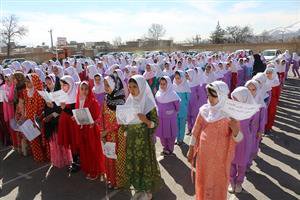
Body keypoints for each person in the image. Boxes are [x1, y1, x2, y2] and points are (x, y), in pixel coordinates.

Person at [187, 81, 243, 200]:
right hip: (204, 156)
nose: (210, 99)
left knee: (217, 181)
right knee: (204, 179)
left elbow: (238, 138)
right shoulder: (204, 110)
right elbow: (196, 130)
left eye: (214, 95)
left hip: (220, 158)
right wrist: (191, 148)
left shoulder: (230, 114)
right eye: (209, 95)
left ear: (222, 96)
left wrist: (236, 130)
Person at [124, 75, 162, 199]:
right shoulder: (129, 101)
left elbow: (155, 124)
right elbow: (125, 120)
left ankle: (147, 190)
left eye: (135, 87)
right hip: (131, 140)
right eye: (130, 87)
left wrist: (146, 120)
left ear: (141, 87)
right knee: (134, 164)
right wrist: (124, 127)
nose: (132, 89)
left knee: (144, 164)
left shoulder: (148, 103)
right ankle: (139, 188)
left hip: (144, 142)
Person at [74, 81, 106, 180]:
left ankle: (96, 171)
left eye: (86, 89)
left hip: (91, 130)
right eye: (82, 89)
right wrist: (74, 117)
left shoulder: (93, 101)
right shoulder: (78, 100)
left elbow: (98, 118)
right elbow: (78, 114)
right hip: (82, 129)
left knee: (93, 150)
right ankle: (89, 169)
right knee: (84, 150)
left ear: (89, 89)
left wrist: (93, 122)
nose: (84, 91)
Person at [100, 74, 126, 189]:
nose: (105, 87)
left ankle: (119, 182)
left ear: (115, 85)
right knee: (109, 158)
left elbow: (120, 120)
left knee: (118, 159)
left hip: (118, 135)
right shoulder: (106, 99)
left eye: (107, 85)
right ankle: (111, 179)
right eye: (104, 84)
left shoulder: (121, 101)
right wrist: (102, 132)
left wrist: (107, 131)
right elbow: (102, 116)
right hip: (107, 135)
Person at [229, 86, 256, 193]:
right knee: (231, 161)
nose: (234, 100)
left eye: (236, 98)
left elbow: (253, 126)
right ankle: (231, 181)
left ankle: (239, 182)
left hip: (245, 141)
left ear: (244, 98)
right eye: (233, 98)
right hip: (231, 139)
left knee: (242, 163)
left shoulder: (252, 110)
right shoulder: (230, 109)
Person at [43, 74, 72, 168]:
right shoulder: (46, 92)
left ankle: (65, 159)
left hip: (58, 121)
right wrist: (47, 111)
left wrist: (52, 113)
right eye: (46, 83)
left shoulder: (59, 92)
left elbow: (61, 109)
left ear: (54, 82)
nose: (48, 85)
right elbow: (46, 107)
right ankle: (57, 159)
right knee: (54, 141)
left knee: (61, 141)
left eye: (50, 82)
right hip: (51, 123)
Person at [23, 73, 49, 162]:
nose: (26, 83)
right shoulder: (25, 92)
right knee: (33, 140)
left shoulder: (40, 93)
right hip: (29, 119)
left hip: (39, 120)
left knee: (42, 139)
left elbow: (42, 107)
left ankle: (45, 157)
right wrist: (25, 116)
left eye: (28, 81)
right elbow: (26, 105)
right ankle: (38, 157)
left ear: (34, 82)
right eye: (26, 82)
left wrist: (38, 118)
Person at [57, 75, 80, 172]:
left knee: (75, 142)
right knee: (70, 142)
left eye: (64, 85)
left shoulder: (75, 96)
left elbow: (74, 114)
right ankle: (74, 161)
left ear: (70, 85)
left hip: (72, 124)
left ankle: (77, 163)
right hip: (65, 123)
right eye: (61, 85)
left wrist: (64, 108)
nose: (62, 88)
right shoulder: (63, 95)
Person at [155, 76, 180, 155]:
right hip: (160, 118)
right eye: (161, 84)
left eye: (164, 84)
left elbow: (177, 106)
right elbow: (156, 104)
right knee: (162, 134)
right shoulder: (158, 93)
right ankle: (165, 147)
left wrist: (172, 112)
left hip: (170, 118)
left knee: (170, 134)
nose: (162, 86)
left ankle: (170, 149)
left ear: (168, 84)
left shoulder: (173, 94)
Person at [245, 80, 265, 169]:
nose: (250, 92)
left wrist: (260, 130)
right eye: (248, 89)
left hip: (254, 131)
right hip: (243, 131)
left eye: (253, 89)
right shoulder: (242, 101)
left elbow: (262, 119)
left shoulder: (260, 104)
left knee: (251, 148)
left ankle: (248, 164)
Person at [173, 70, 191, 145]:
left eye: (179, 78)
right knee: (176, 124)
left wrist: (186, 107)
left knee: (182, 125)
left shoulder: (186, 86)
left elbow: (188, 99)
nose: (177, 80)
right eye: (176, 78)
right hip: (175, 109)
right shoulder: (173, 86)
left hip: (183, 109)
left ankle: (181, 139)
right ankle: (177, 138)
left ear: (182, 78)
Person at [264, 67, 281, 134]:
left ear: (273, 73)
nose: (268, 74)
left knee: (271, 114)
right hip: (264, 101)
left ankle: (268, 128)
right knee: (264, 115)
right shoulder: (263, 81)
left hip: (272, 101)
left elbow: (277, 93)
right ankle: (263, 127)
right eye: (267, 73)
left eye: (270, 73)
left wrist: (275, 102)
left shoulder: (276, 82)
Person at [186, 69, 201, 135]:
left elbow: (199, 95)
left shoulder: (197, 83)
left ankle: (195, 129)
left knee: (194, 115)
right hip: (187, 102)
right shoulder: (186, 83)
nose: (186, 76)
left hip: (195, 102)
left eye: (188, 74)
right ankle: (189, 129)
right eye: (186, 74)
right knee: (188, 115)